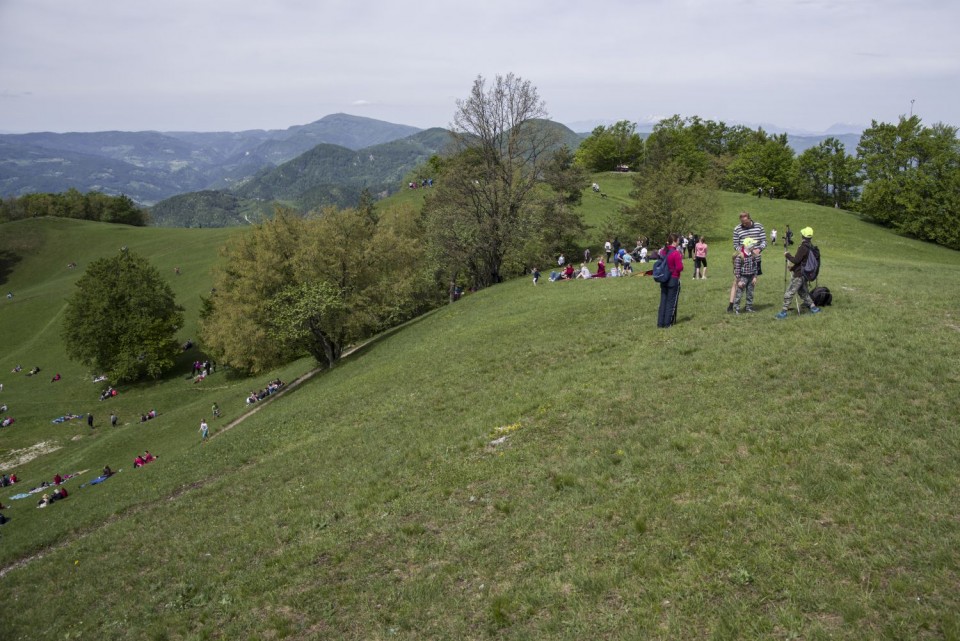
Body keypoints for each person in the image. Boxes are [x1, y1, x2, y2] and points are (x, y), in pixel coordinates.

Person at [777, 227, 822, 319]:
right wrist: (793, 268)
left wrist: (787, 255)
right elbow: (802, 262)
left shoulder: (803, 247)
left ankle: (783, 312)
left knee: (789, 292)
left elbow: (796, 260)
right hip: (804, 274)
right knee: (803, 292)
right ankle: (814, 308)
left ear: (803, 235)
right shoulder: (810, 246)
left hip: (799, 275)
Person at [729, 212, 767, 312]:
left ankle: (748, 306)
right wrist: (743, 252)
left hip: (755, 259)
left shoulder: (759, 227)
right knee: (737, 282)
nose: (744, 224)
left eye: (745, 222)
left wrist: (758, 249)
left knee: (752, 283)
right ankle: (732, 305)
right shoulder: (737, 229)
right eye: (742, 223)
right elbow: (736, 244)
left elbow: (764, 241)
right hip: (741, 259)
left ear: (750, 219)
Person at [657, 235, 684, 328]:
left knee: (663, 301)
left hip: (664, 278)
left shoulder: (663, 251)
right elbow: (680, 267)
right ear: (675, 242)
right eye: (678, 241)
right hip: (673, 278)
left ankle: (660, 323)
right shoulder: (676, 253)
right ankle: (667, 323)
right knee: (671, 302)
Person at [732, 238, 760, 313]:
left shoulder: (753, 256)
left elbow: (755, 267)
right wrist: (738, 281)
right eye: (753, 244)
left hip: (751, 277)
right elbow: (737, 270)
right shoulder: (740, 256)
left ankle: (749, 307)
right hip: (743, 277)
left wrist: (755, 277)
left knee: (750, 293)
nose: (754, 246)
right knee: (739, 293)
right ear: (748, 245)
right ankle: (736, 308)